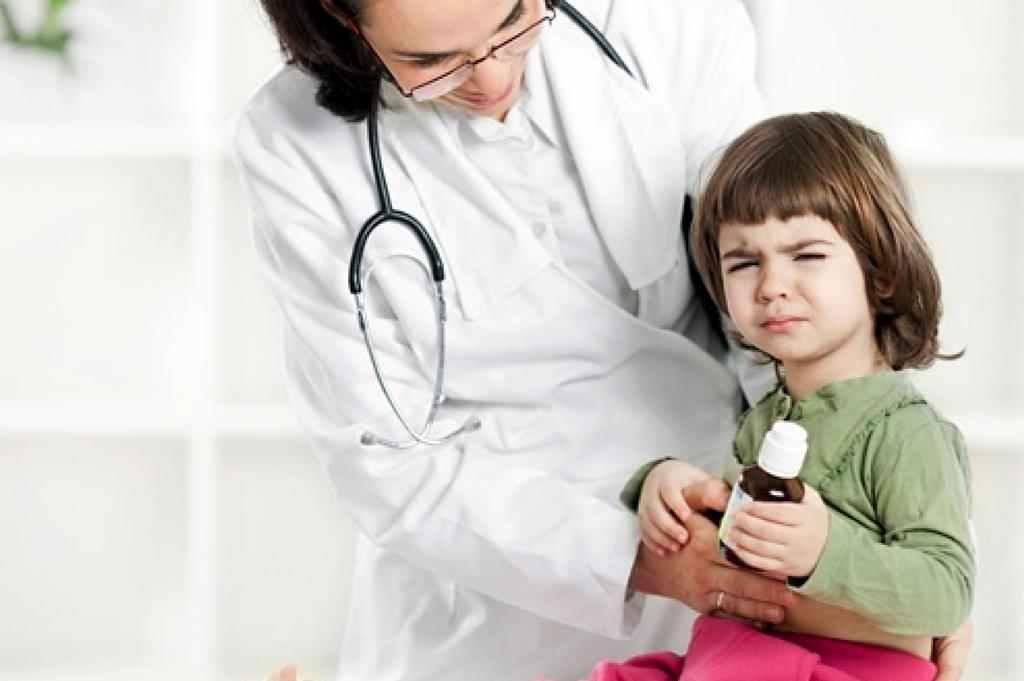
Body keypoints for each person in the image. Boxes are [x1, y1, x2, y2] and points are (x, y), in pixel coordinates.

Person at [233, 0, 970, 678]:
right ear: (339, 19)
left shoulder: (660, 20)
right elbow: (385, 462)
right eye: (433, 62)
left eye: (514, 21)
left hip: (730, 549)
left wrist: (898, 555)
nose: (492, 79)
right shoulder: (294, 146)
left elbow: (792, 285)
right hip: (490, 595)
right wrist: (637, 556)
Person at [601, 112, 976, 681]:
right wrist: (665, 483)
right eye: (744, 263)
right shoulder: (766, 418)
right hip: (740, 655)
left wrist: (825, 553)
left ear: (881, 273)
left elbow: (947, 593)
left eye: (806, 255)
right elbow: (736, 536)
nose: (771, 286)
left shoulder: (906, 432)